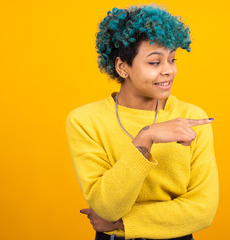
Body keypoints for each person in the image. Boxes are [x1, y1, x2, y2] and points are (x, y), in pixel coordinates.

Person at [66, 4, 219, 240]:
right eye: (155, 63)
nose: (168, 71)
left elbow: (203, 210)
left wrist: (123, 222)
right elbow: (107, 206)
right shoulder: (85, 121)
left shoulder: (191, 117)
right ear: (122, 67)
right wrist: (146, 136)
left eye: (172, 59)